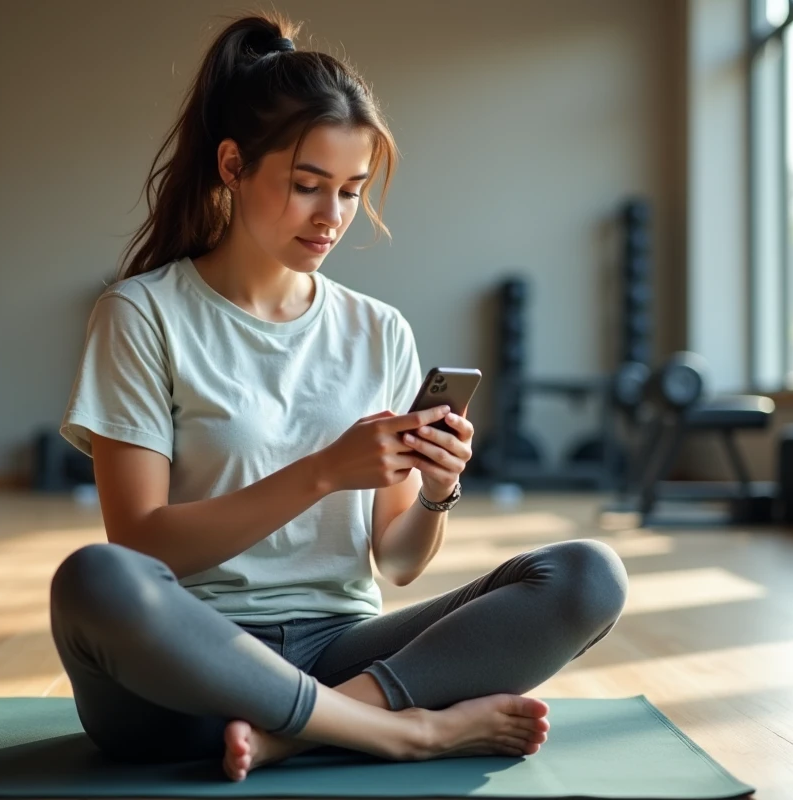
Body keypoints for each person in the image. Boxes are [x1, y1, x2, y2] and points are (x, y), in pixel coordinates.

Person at [50, 11, 628, 782]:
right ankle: (399, 733)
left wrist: (438, 490)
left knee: (590, 574)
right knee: (93, 579)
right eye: (307, 186)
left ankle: (310, 729)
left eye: (351, 192)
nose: (331, 218)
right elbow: (141, 545)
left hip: (340, 652)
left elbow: (395, 561)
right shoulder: (140, 313)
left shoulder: (379, 329)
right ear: (232, 166)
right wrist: (322, 472)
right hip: (191, 672)